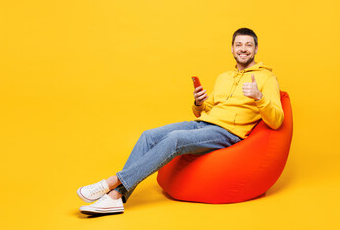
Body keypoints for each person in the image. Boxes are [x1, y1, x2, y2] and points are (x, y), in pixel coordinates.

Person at [76, 28, 284, 215]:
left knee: (175, 139)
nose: (243, 49)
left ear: (256, 49)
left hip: (228, 133)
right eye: (239, 44)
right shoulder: (224, 77)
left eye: (248, 45)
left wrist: (259, 97)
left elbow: (277, 121)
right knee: (148, 135)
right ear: (231, 49)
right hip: (205, 124)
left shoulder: (266, 78)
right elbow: (202, 111)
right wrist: (198, 101)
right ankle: (118, 198)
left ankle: (111, 185)